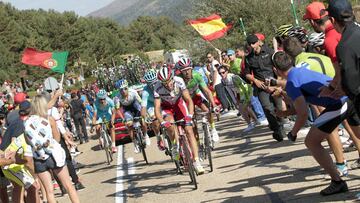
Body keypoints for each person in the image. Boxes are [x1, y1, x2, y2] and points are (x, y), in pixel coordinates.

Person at [273, 51, 360, 196]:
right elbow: (301, 105)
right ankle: (337, 180)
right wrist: (285, 112)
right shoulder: (299, 71)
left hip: (339, 105)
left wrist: (293, 133)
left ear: (276, 70)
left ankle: (337, 182)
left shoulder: (292, 83)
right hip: (348, 98)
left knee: (311, 142)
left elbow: (303, 114)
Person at [25, 95, 79, 203]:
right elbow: (57, 138)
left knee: (49, 192)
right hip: (53, 155)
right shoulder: (49, 119)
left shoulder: (27, 122)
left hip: (38, 158)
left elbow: (28, 142)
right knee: (68, 185)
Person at [154, 66, 205, 174]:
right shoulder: (157, 87)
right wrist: (162, 122)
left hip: (179, 104)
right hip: (167, 108)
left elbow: (189, 100)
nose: (168, 84)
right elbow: (157, 109)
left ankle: (196, 162)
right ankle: (175, 145)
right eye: (164, 83)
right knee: (171, 126)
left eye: (169, 81)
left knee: (189, 129)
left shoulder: (179, 81)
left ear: (172, 78)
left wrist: (190, 116)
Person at [244, 34, 285, 142]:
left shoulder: (269, 52)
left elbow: (278, 68)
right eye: (250, 44)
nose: (252, 46)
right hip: (261, 87)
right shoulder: (248, 58)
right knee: (267, 108)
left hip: (274, 84)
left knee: (279, 107)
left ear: (258, 42)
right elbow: (247, 74)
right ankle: (276, 129)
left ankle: (281, 125)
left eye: (253, 43)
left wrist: (278, 83)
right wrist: (255, 80)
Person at [176, 57, 220, 142]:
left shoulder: (196, 75)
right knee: (191, 122)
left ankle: (213, 129)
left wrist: (214, 105)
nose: (187, 72)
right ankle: (198, 143)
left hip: (196, 94)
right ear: (180, 71)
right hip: (186, 99)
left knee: (206, 110)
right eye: (184, 70)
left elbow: (207, 91)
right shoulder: (178, 79)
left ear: (191, 68)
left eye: (188, 69)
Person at [114, 79, 150, 153]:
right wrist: (122, 118)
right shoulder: (117, 97)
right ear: (119, 90)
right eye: (121, 90)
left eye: (125, 88)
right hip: (126, 109)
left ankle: (146, 135)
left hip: (135, 106)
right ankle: (135, 143)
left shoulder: (133, 92)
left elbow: (141, 103)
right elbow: (117, 109)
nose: (123, 91)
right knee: (129, 125)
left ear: (127, 87)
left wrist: (145, 113)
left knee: (142, 121)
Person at [218, 66, 257, 133]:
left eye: (223, 72)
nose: (222, 74)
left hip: (245, 90)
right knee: (241, 108)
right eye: (220, 73)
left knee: (245, 107)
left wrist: (239, 100)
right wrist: (235, 101)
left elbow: (241, 88)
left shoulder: (233, 78)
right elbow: (229, 91)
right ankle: (251, 123)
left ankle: (255, 121)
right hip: (238, 92)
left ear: (227, 71)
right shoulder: (223, 80)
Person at [141, 70, 162, 150]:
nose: (153, 85)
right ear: (147, 84)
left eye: (155, 83)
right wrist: (144, 117)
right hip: (151, 105)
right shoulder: (145, 91)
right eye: (151, 84)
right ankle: (158, 138)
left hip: (161, 101)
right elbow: (143, 106)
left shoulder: (161, 84)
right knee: (155, 120)